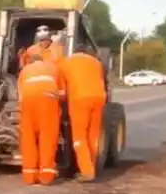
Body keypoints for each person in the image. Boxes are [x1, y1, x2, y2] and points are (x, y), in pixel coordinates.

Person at [58, 45, 107, 182]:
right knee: (93, 136)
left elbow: (61, 85)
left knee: (79, 138)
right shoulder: (96, 63)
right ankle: (91, 167)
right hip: (99, 99)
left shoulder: (66, 62)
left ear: (73, 52)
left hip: (80, 99)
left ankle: (87, 172)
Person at [17, 52, 62, 185]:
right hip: (47, 101)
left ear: (29, 62)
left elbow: (20, 96)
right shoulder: (53, 68)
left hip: (28, 102)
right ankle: (46, 176)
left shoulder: (24, 70)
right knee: (47, 137)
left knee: (28, 138)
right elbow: (62, 92)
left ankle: (29, 177)